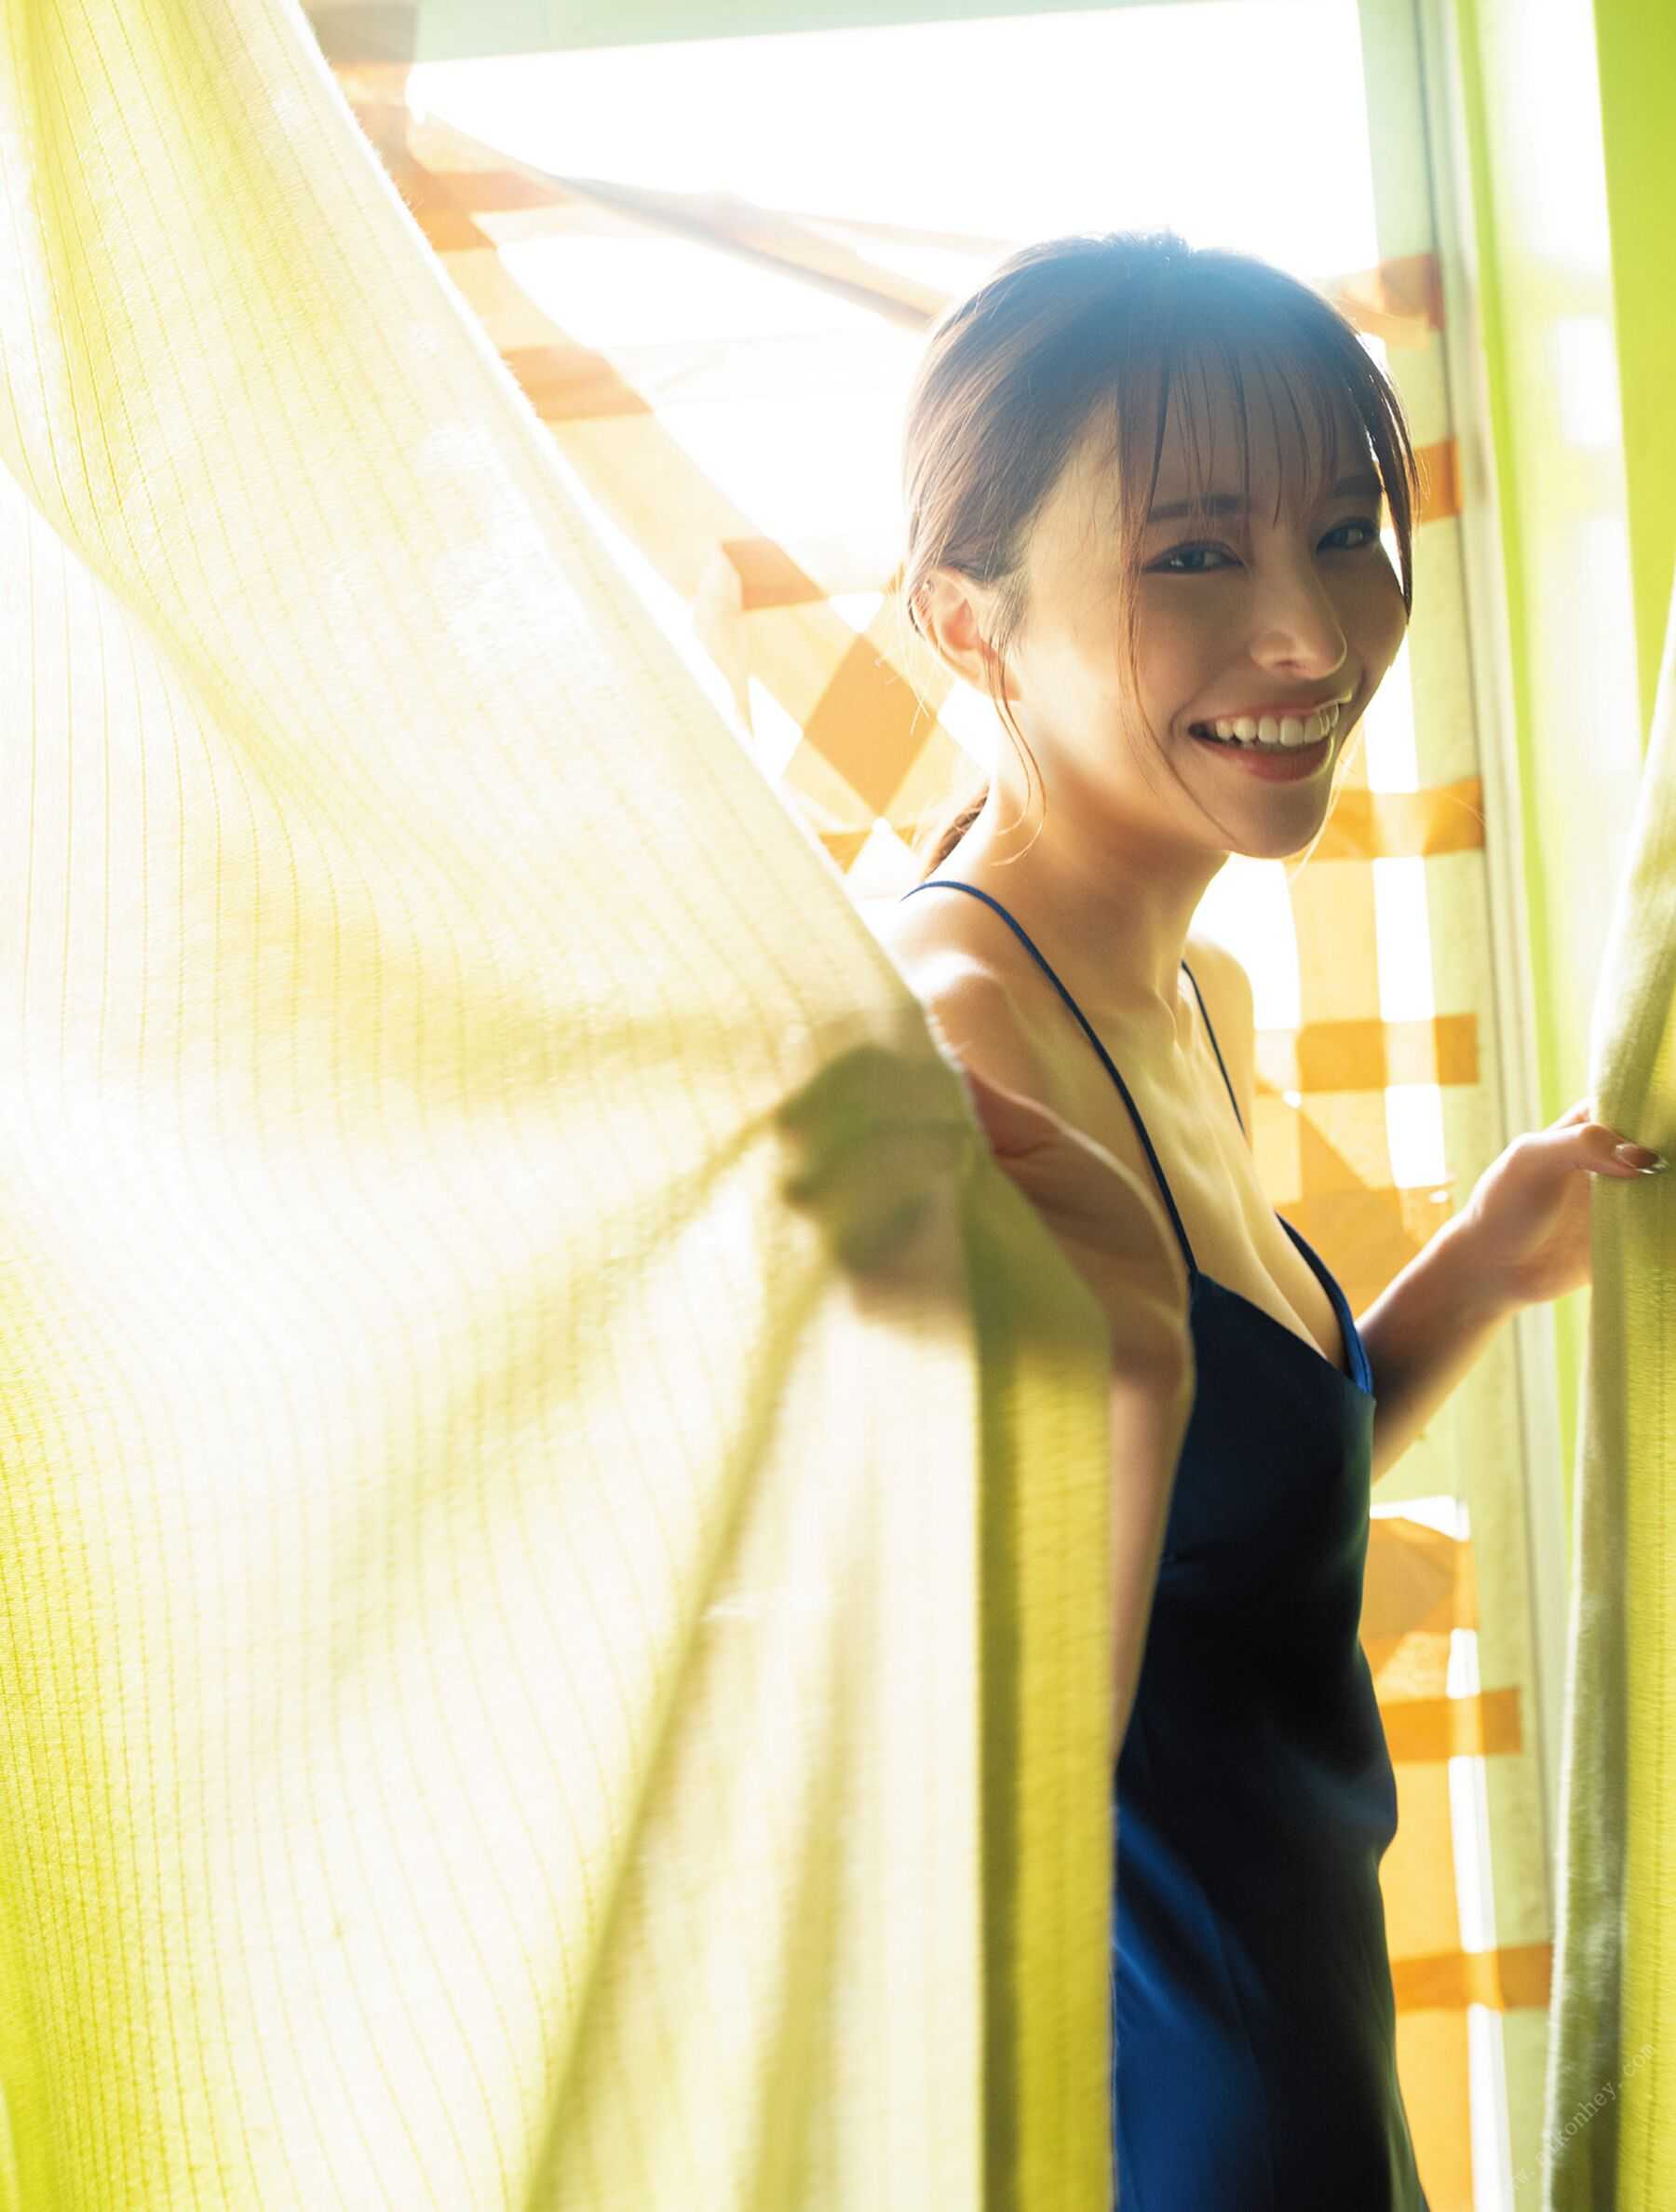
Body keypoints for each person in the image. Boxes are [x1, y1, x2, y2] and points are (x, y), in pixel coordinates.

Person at [876, 226, 1431, 2206]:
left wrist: (1486, 1264)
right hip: (1156, 2134)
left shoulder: (1189, 992)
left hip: (1311, 2084)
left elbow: (1236, 1520)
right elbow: (957, 1815)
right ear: (969, 626)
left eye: (1346, 532)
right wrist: (1123, 1376)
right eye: (1193, 555)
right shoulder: (947, 1052)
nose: (1310, 636)